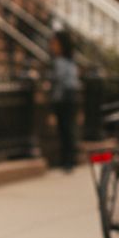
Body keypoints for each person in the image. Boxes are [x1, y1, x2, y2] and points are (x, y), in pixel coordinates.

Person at [48, 29, 80, 171]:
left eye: (54, 43)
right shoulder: (71, 62)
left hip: (63, 100)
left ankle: (67, 161)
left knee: (65, 130)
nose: (51, 46)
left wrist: (52, 107)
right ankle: (69, 159)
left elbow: (59, 83)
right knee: (68, 130)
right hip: (71, 99)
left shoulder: (60, 62)